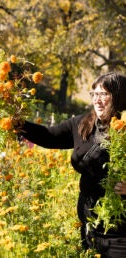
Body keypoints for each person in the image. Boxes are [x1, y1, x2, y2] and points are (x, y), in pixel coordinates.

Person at [15, 72, 126, 256]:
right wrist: (17, 123)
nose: (97, 100)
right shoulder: (84, 123)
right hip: (89, 221)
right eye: (94, 94)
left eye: (104, 94)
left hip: (120, 227)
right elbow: (48, 136)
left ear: (120, 97)